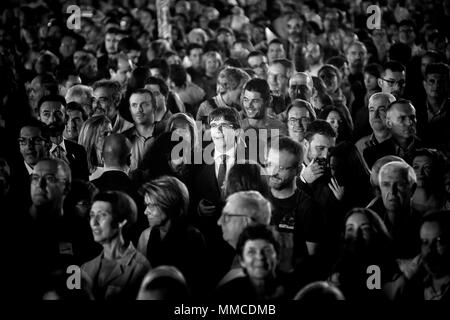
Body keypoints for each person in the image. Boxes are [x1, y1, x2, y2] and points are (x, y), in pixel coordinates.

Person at [137, 176, 207, 296]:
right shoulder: (146, 236)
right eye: (146, 205)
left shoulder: (194, 238)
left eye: (151, 205)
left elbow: (198, 286)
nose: (145, 211)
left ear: (170, 204)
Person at [266, 136, 322, 272]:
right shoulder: (258, 198)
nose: (273, 172)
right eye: (269, 164)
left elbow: (312, 260)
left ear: (298, 170)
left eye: (281, 168)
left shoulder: (308, 208)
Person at [82, 190, 150, 300]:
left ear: (122, 220)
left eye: (102, 215)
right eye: (92, 215)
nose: (94, 223)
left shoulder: (140, 268)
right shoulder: (85, 267)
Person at [329, 208, 399, 300]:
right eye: (350, 228)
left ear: (376, 232)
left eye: (365, 228)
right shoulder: (336, 264)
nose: (356, 234)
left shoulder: (380, 267)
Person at [216, 224, 291, 300]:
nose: (260, 257)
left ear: (277, 256)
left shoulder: (295, 287)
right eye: (251, 252)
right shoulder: (226, 293)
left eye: (267, 250)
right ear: (242, 260)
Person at [37, 95, 89, 181]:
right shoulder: (36, 151)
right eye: (46, 114)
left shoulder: (79, 151)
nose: (52, 120)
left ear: (66, 118)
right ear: (39, 118)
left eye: (58, 114)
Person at [377, 161, 421, 259]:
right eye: (386, 184)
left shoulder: (424, 228)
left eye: (400, 184)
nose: (392, 191)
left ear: (412, 189)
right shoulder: (372, 225)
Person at [364, 99, 424, 168]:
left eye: (412, 117)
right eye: (402, 118)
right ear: (389, 123)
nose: (410, 122)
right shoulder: (372, 154)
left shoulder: (431, 148)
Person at [123, 89, 159, 171]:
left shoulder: (165, 134)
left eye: (144, 104)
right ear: (130, 109)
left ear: (154, 108)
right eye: (134, 105)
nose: (139, 110)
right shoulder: (123, 138)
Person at [356, 93, 396, 158]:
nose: (375, 115)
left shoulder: (402, 144)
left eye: (381, 109)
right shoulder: (360, 146)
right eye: (372, 110)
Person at [411, 149, 447, 215]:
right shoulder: (403, 200)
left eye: (427, 167)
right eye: (416, 167)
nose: (420, 172)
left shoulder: (446, 203)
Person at [78, 115, 112, 180]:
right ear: (91, 138)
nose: (111, 137)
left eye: (111, 133)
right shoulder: (79, 170)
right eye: (105, 134)